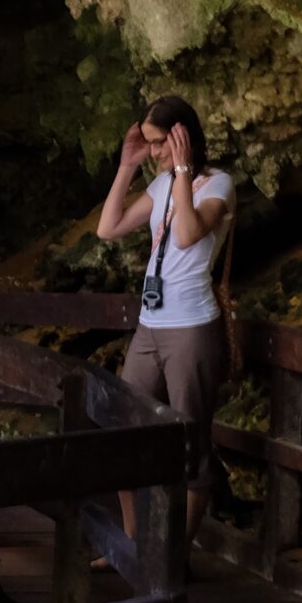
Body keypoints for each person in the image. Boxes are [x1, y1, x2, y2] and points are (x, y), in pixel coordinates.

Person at [96, 94, 235, 552]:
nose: (154, 151)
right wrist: (127, 167)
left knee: (190, 443)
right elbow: (108, 228)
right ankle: (137, 544)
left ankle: (172, 561)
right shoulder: (157, 186)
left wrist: (181, 170)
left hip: (192, 329)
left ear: (182, 137)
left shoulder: (218, 186)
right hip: (150, 327)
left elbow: (187, 233)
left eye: (160, 143)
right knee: (122, 429)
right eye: (151, 145)